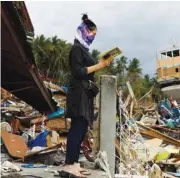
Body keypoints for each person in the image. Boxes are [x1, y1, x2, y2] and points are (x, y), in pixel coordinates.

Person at [62, 14, 110, 177]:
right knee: (77, 127)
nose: (92, 37)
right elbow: (77, 72)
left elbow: (88, 70)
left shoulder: (83, 50)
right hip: (78, 92)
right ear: (83, 31)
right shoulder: (76, 49)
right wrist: (99, 65)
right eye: (91, 34)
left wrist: (101, 65)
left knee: (82, 128)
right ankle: (69, 165)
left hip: (85, 92)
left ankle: (75, 162)